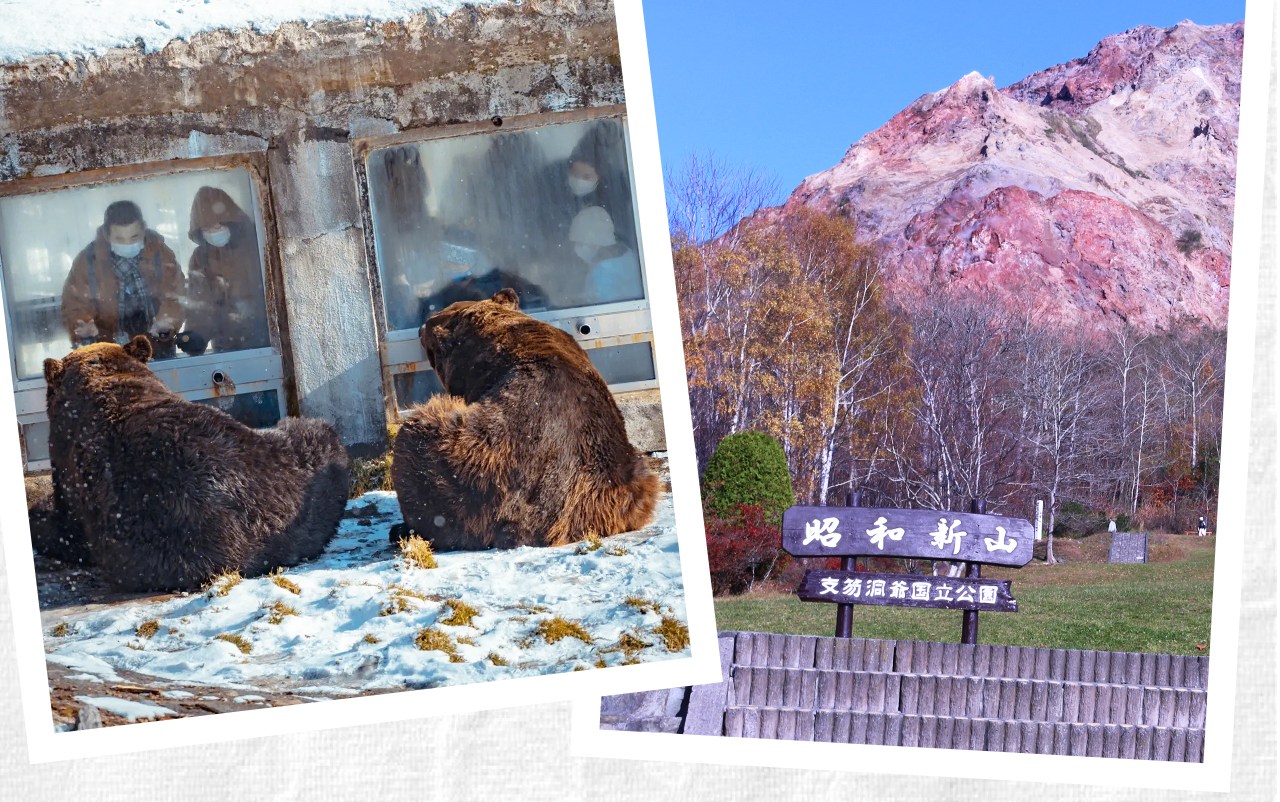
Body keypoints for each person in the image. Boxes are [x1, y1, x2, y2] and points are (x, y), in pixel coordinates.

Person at [61, 200, 185, 358]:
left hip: (157, 347)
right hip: (107, 352)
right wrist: (83, 328)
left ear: (143, 230)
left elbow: (176, 294)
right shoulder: (89, 261)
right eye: (120, 239)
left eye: (134, 237)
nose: (128, 244)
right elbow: (74, 304)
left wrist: (167, 321)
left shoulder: (160, 254)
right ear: (107, 235)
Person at [183, 186, 270, 354]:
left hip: (265, 340)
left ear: (231, 223)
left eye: (217, 227)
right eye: (206, 229)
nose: (213, 233)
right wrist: (195, 337)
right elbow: (200, 302)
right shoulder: (201, 257)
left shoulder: (256, 245)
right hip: (226, 346)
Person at [567, 206, 644, 306]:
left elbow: (602, 308)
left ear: (593, 244)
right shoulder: (630, 256)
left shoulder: (602, 271)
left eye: (579, 243)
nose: (576, 249)